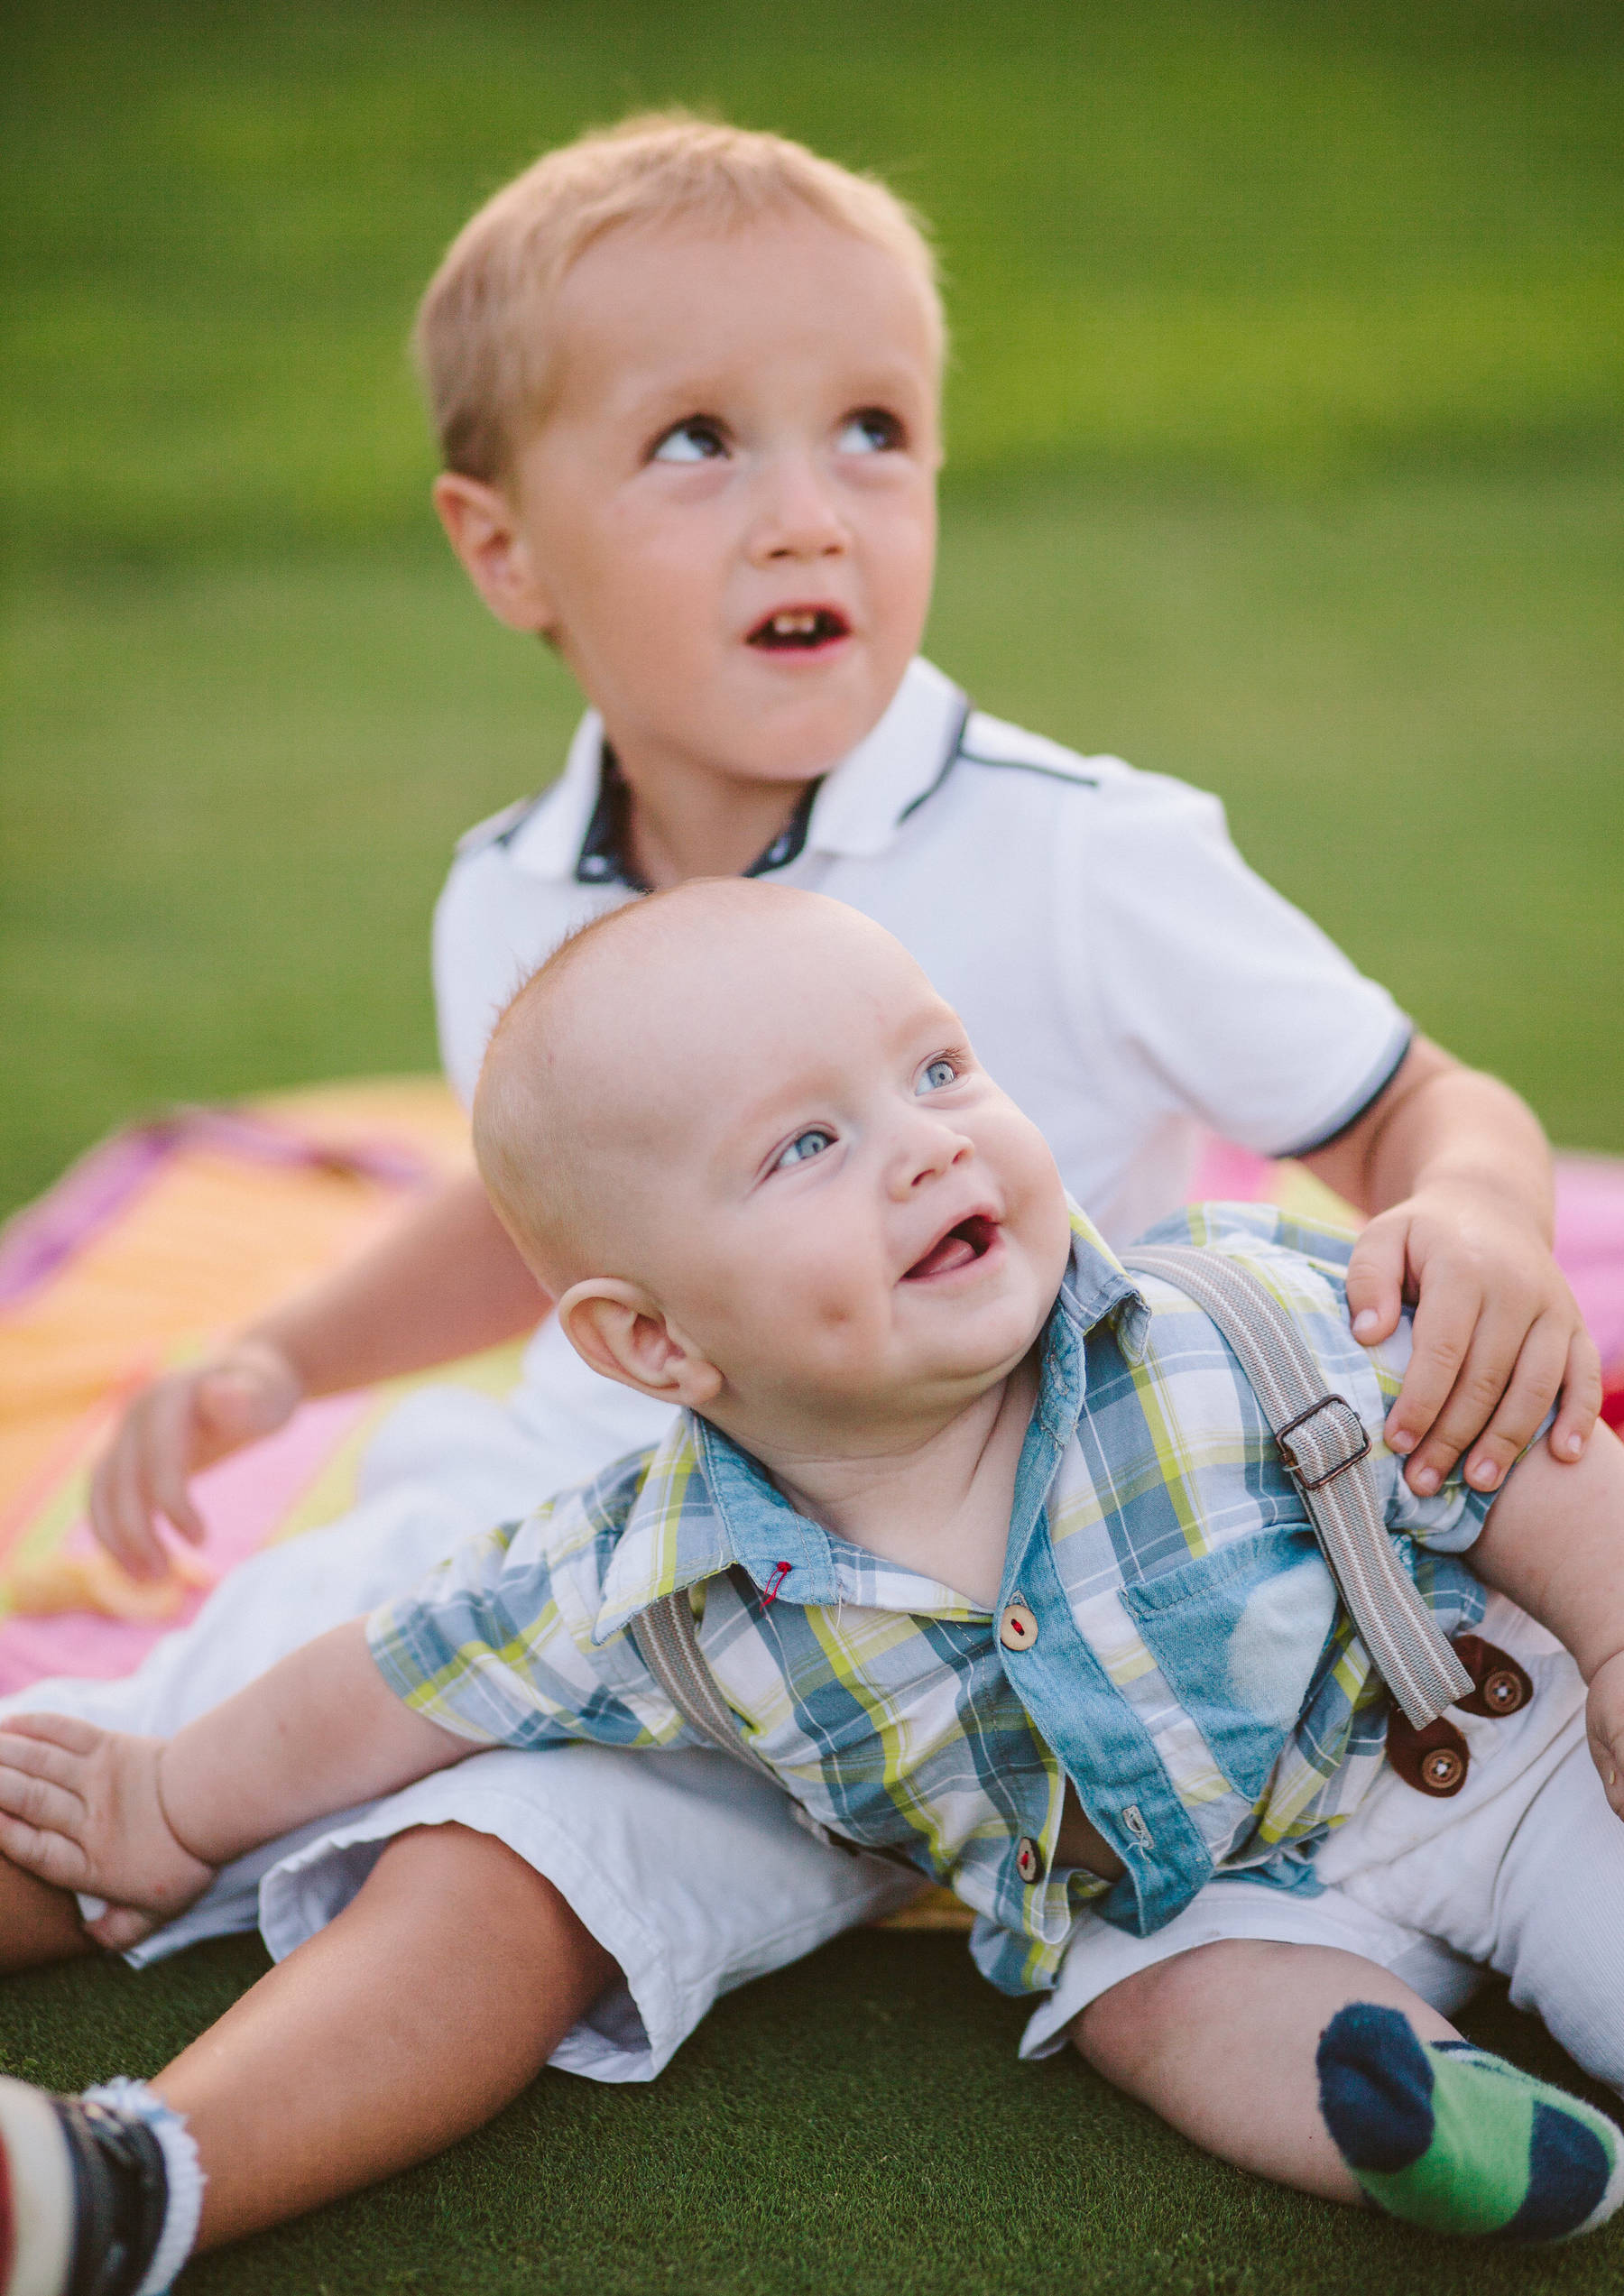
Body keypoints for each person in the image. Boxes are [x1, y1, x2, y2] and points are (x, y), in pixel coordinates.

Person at [0, 114, 1602, 2256]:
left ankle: (141, 2180)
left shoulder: (1078, 852)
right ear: (504, 551)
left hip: (964, 1622)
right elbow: (539, 1212)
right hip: (614, 1538)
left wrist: (1482, 1215)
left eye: (873, 430)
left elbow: (1416, 1104)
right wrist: (281, 1359)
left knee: (509, 1861)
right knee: (131, 1757)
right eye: (693, 444)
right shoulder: (513, 893)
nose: (806, 511)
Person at [3, 883, 1620, 2294]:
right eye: (807, 1145)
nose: (926, 1145)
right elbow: (398, 1674)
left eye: (937, 1069)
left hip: (1492, 1751)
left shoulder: (1228, 1320)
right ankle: (1423, 2115)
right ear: (653, 1342)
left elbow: (1507, 1440)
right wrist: (169, 1800)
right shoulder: (649, 1578)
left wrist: (1613, 1633)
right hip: (1211, 1908)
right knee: (1153, 2008)